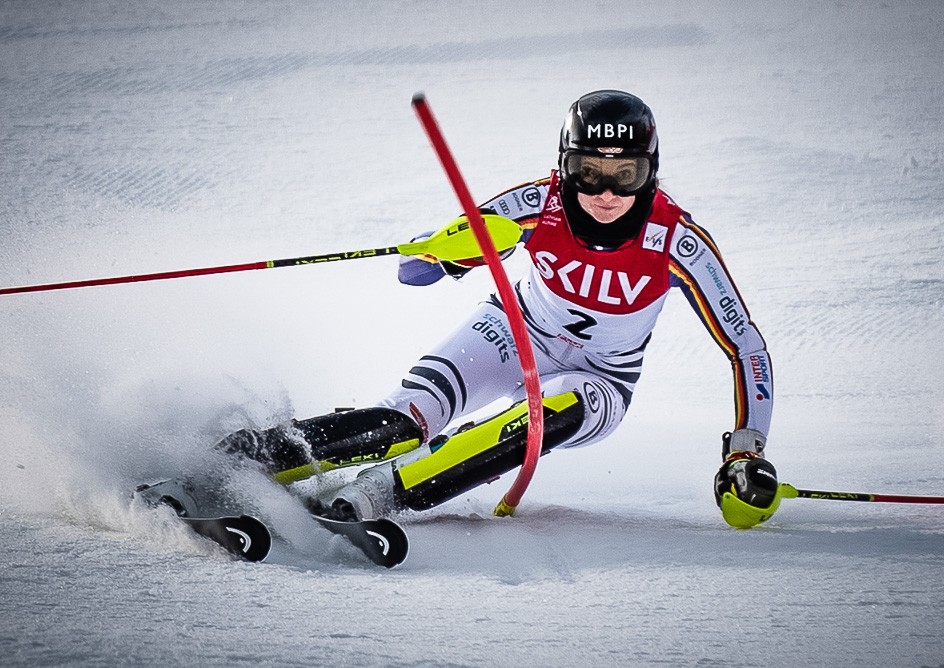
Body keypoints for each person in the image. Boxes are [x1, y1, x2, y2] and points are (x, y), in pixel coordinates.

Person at [218, 90, 780, 528]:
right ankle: (236, 460)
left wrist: (745, 451)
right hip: (512, 331)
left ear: (650, 171)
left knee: (554, 410)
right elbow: (412, 271)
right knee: (405, 420)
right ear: (566, 165)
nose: (606, 194)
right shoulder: (538, 204)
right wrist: (447, 250)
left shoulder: (678, 242)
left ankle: (378, 492)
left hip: (602, 379)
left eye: (625, 175)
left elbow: (745, 347)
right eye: (589, 172)